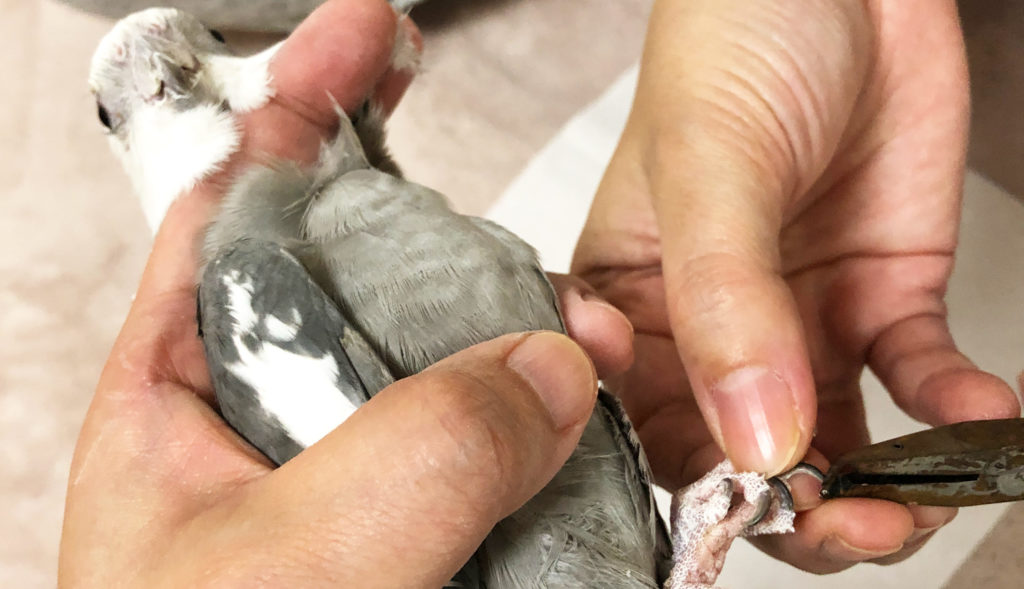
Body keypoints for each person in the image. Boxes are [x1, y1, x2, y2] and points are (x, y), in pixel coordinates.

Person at [60, 0, 1019, 584]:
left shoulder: (341, 194)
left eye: (200, 39)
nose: (163, 75)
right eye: (119, 107)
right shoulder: (244, 291)